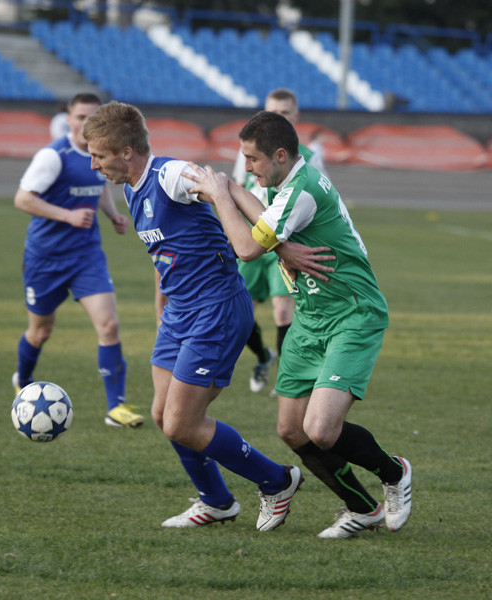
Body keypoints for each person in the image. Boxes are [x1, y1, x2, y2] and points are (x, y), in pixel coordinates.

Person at [82, 101, 338, 530]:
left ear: (126, 152)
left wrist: (280, 244)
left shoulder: (169, 175)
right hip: (180, 312)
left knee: (182, 423)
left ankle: (277, 480)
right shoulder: (131, 188)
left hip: (216, 309)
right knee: (164, 416)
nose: (93, 165)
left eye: (98, 156)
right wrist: (162, 304)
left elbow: (228, 188)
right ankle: (217, 502)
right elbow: (165, 251)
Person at [185, 110, 412, 539]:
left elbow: (246, 247)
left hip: (351, 314)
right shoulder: (287, 182)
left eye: (252, 159)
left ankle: (394, 472)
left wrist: (220, 197)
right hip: (310, 317)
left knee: (320, 430)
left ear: (280, 155)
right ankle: (362, 508)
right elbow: (264, 215)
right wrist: (231, 188)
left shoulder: (302, 189)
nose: (247, 166)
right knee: (291, 429)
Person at [13, 93, 144, 428]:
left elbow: (98, 185)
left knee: (109, 325)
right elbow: (23, 199)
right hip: (45, 258)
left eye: (93, 117)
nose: (86, 122)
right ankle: (23, 381)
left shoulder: (101, 154)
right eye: (80, 116)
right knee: (40, 332)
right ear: (68, 119)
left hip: (87, 256)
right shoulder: (53, 157)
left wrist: (112, 214)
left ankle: (116, 407)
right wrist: (67, 216)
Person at [232, 88, 328, 394]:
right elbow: (239, 189)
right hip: (251, 238)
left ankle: (287, 380)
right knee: (240, 314)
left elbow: (315, 199)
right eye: (273, 111)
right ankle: (264, 356)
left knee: (283, 311)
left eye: (284, 112)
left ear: (295, 116)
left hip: (282, 242)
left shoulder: (309, 159)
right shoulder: (247, 154)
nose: (278, 117)